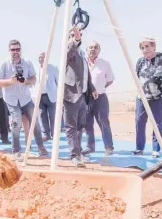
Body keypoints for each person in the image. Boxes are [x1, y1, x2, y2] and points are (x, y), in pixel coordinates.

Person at [0, 39, 48, 160]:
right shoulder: (3, 65)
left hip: (26, 98)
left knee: (35, 122)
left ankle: (41, 147)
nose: (15, 52)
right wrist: (10, 81)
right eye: (13, 49)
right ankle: (16, 150)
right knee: (16, 122)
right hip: (11, 100)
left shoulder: (27, 63)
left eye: (17, 49)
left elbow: (34, 79)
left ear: (20, 50)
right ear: (9, 51)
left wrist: (26, 81)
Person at [132, 38, 162, 158]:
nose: (145, 50)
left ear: (154, 47)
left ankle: (156, 149)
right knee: (139, 122)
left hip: (160, 96)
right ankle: (139, 148)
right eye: (142, 48)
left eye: (147, 46)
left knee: (157, 123)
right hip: (143, 97)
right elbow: (137, 76)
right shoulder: (140, 61)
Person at [64, 26, 98, 167]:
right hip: (71, 95)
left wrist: (92, 88)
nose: (76, 36)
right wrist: (75, 39)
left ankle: (78, 153)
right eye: (72, 35)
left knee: (80, 126)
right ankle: (75, 155)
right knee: (71, 126)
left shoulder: (82, 54)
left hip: (82, 95)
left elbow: (85, 74)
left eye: (77, 35)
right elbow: (69, 51)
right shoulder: (68, 51)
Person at [83, 41, 115, 156]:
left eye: (95, 47)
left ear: (99, 51)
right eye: (90, 47)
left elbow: (110, 80)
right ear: (86, 50)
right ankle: (89, 147)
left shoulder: (104, 64)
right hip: (85, 98)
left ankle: (109, 147)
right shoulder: (82, 63)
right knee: (87, 124)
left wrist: (99, 88)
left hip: (100, 98)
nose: (93, 49)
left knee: (103, 122)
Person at [34, 51, 59, 141]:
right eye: (40, 57)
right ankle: (45, 134)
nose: (41, 59)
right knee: (41, 116)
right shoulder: (35, 69)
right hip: (39, 96)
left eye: (43, 57)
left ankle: (54, 134)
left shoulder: (53, 68)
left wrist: (60, 96)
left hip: (51, 96)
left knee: (53, 116)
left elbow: (59, 82)